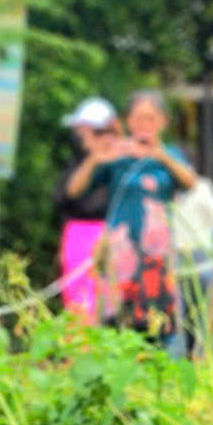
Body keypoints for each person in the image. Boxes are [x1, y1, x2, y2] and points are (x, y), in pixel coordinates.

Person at [90, 89, 198, 351]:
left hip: (157, 255)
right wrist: (98, 157)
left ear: (162, 122)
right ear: (128, 121)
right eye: (138, 119)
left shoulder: (169, 155)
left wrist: (160, 155)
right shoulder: (116, 156)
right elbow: (76, 191)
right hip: (121, 253)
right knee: (118, 319)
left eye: (150, 119)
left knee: (161, 320)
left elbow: (191, 183)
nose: (144, 126)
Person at [54, 96, 121, 323]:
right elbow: (67, 195)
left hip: (111, 237)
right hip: (78, 237)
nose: (79, 136)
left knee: (110, 306)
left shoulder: (119, 163)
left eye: (85, 131)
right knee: (78, 306)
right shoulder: (79, 163)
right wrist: (93, 158)